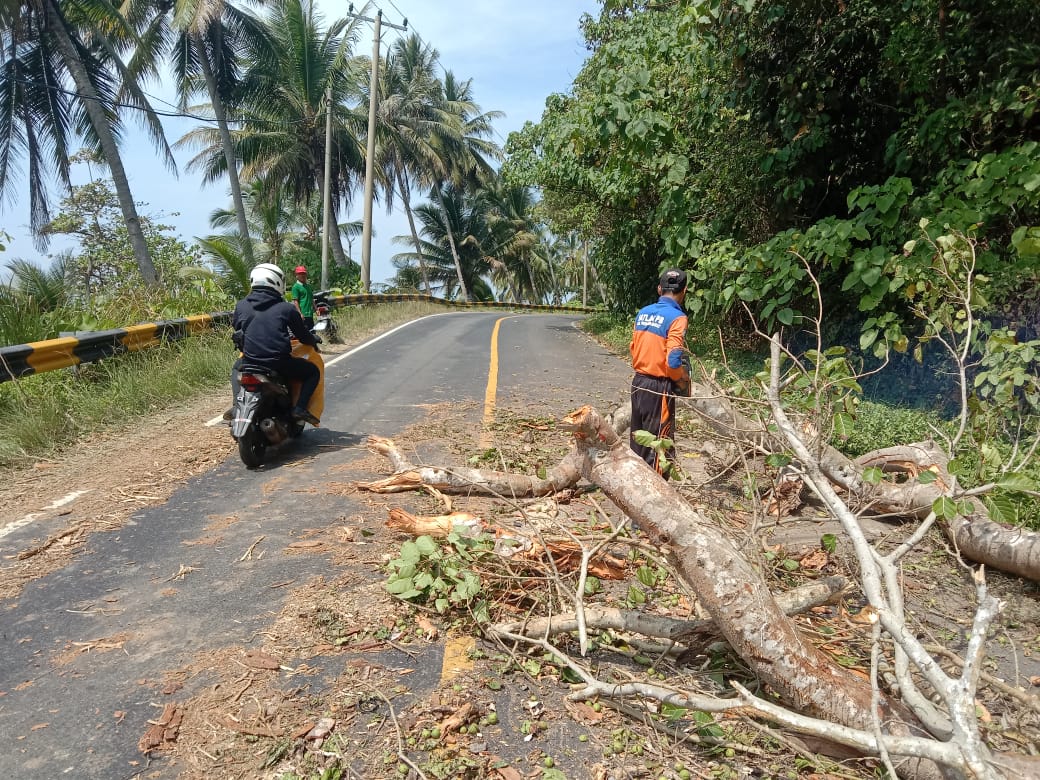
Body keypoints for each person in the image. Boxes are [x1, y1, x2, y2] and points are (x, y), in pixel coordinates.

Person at [231, 263, 322, 426]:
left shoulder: (241, 306)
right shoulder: (286, 308)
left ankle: (236, 405)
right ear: (278, 282)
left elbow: (238, 329)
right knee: (312, 371)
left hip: (250, 362)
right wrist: (313, 339)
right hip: (278, 363)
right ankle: (299, 408)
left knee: (236, 367)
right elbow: (302, 336)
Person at [629, 267, 691, 475]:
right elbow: (673, 360)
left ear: (659, 289)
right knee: (660, 446)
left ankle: (634, 490)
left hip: (638, 382)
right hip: (659, 388)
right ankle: (655, 497)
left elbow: (633, 347)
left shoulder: (643, 313)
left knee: (639, 442)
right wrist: (681, 378)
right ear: (684, 291)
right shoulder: (677, 318)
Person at [290, 265, 315, 331]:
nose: (303, 275)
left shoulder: (308, 286)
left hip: (310, 314)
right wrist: (300, 313)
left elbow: (311, 299)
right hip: (302, 315)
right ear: (297, 275)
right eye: (300, 274)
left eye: (304, 273)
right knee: (304, 333)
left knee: (312, 332)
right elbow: (295, 301)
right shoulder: (296, 287)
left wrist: (316, 308)